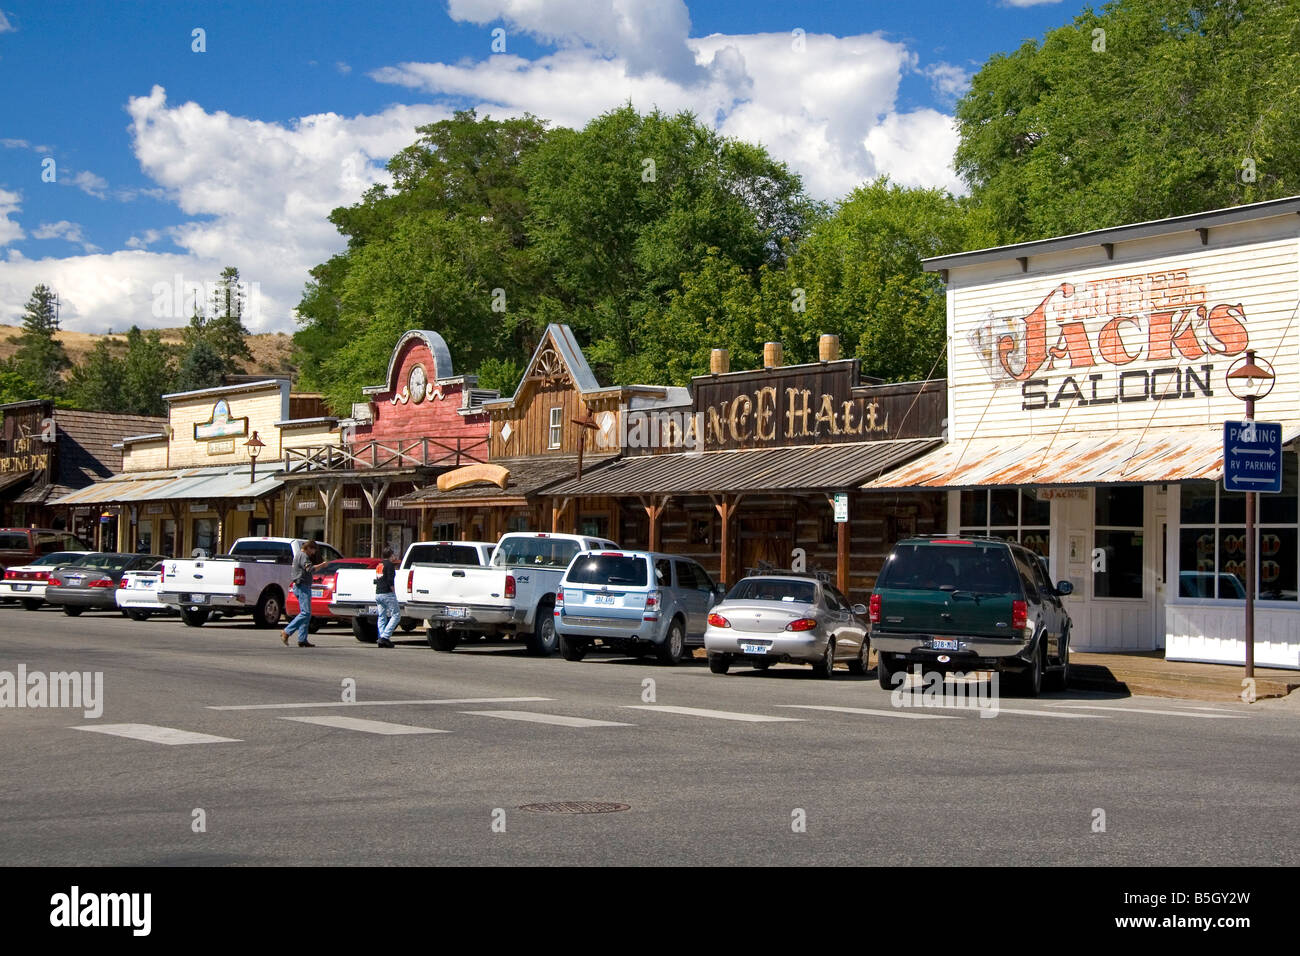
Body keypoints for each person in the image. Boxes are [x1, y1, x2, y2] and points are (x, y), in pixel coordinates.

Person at [283, 539, 329, 647]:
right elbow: (310, 569)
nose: (313, 553)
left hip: (300, 585)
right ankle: (287, 631)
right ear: (308, 548)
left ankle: (302, 639)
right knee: (306, 613)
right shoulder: (303, 556)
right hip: (302, 586)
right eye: (313, 550)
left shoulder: (298, 555)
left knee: (306, 615)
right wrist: (322, 565)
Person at [373, 546, 401, 648]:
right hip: (387, 593)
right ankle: (385, 636)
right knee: (396, 615)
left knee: (382, 616)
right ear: (391, 555)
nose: (394, 556)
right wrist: (393, 592)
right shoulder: (390, 565)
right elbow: (390, 580)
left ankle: (381, 637)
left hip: (378, 593)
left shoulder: (379, 565)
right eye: (393, 554)